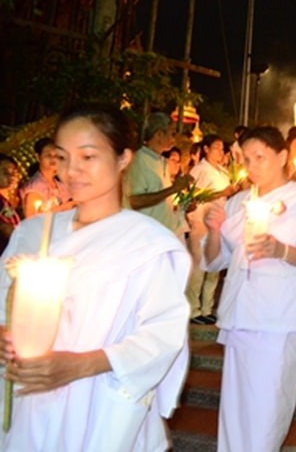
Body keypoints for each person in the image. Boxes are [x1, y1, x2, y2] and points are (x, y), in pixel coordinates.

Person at [0, 104, 191, 451]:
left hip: (101, 404)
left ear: (123, 159)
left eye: (88, 157)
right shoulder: (32, 233)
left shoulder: (144, 243)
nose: (72, 170)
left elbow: (163, 334)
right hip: (33, 404)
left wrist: (80, 365)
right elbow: (3, 304)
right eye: (61, 157)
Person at [201, 126, 296, 452]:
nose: (252, 166)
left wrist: (282, 251)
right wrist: (215, 232)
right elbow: (213, 262)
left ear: (282, 157)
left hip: (278, 320)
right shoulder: (238, 203)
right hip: (239, 318)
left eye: (260, 157)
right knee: (234, 412)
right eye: (246, 159)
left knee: (267, 412)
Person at [186, 134, 237, 325]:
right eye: (216, 147)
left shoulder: (223, 172)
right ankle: (193, 308)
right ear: (206, 149)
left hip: (219, 223)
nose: (221, 151)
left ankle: (207, 307)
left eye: (222, 148)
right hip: (201, 221)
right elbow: (193, 197)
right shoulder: (199, 170)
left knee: (214, 267)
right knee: (199, 265)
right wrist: (221, 193)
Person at [125, 112, 193, 238]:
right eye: (172, 133)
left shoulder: (161, 161)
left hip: (164, 234)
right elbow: (134, 201)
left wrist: (183, 205)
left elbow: (162, 200)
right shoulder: (140, 160)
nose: (174, 139)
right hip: (147, 237)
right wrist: (173, 189)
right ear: (159, 135)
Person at [20, 137, 75, 218]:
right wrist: (66, 207)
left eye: (56, 155)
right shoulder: (35, 187)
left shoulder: (59, 183)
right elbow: (31, 219)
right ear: (38, 157)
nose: (53, 158)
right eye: (48, 155)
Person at [0, 154, 20, 254]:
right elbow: (7, 229)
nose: (11, 176)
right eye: (5, 172)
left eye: (13, 172)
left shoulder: (5, 199)